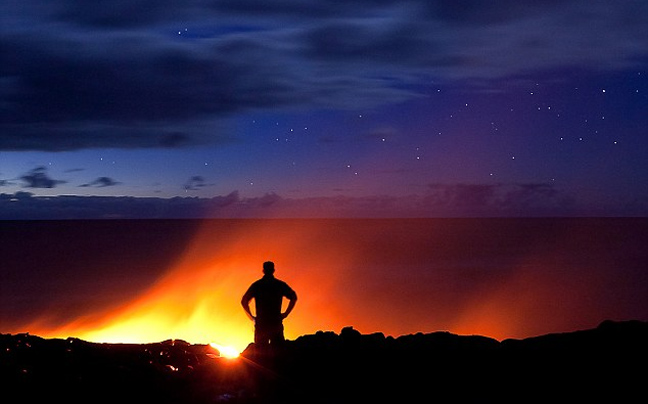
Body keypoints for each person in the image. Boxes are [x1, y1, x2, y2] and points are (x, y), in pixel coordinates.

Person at [241, 261, 297, 347]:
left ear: (263, 270)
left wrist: (252, 317)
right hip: (275, 322)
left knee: (261, 353)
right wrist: (286, 314)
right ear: (273, 270)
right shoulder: (279, 285)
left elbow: (244, 301)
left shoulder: (257, 285)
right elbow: (293, 297)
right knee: (278, 351)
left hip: (262, 323)